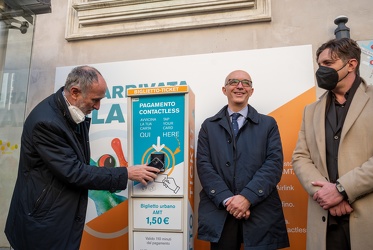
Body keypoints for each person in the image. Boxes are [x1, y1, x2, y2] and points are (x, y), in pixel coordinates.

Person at [4, 65, 160, 250]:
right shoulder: (46, 122)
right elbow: (74, 172)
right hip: (41, 224)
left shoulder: (68, 114)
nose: (97, 106)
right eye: (95, 100)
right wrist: (126, 173)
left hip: (53, 218)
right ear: (75, 92)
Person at [292, 38, 373, 250]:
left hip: (367, 219)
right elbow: (301, 157)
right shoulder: (310, 110)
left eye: (328, 64)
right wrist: (326, 195)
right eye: (319, 65)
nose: (322, 70)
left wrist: (342, 190)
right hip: (325, 222)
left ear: (351, 64)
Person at [196, 69, 290, 249]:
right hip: (221, 212)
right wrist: (228, 200)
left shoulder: (268, 124)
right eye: (233, 82)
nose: (240, 86)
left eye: (246, 83)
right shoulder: (209, 126)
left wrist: (247, 197)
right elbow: (204, 165)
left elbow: (273, 164)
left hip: (260, 212)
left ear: (251, 91)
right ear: (224, 90)